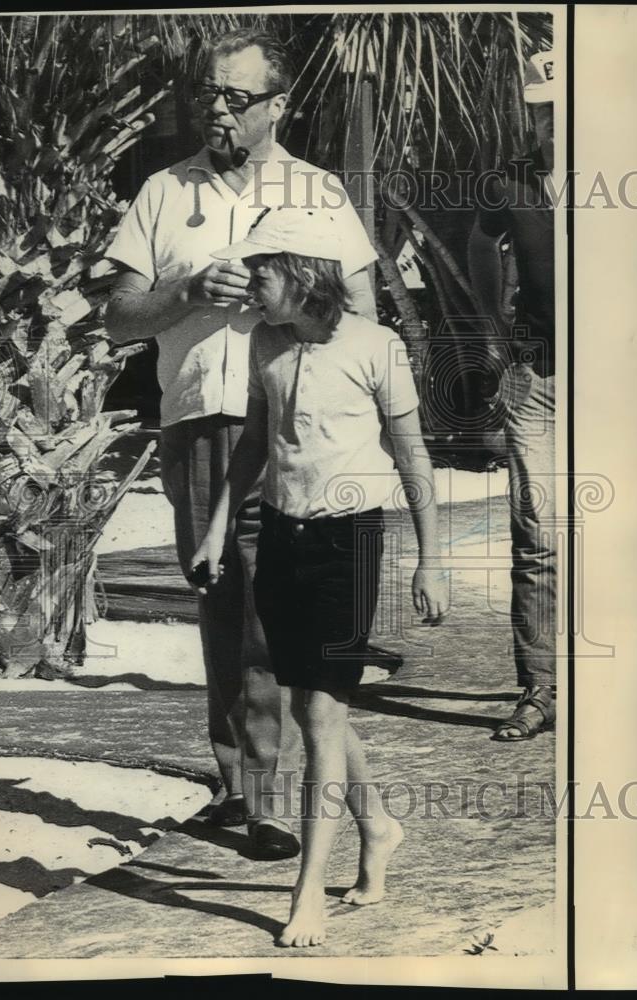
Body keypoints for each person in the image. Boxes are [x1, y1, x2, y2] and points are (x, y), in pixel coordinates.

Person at [104, 28, 378, 858]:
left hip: (296, 423)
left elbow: (363, 316)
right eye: (207, 93)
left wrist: (291, 317)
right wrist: (187, 290)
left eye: (236, 96)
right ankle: (240, 787)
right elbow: (119, 319)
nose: (216, 109)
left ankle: (269, 798)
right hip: (200, 419)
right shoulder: (162, 191)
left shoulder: (318, 192)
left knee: (279, 609)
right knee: (221, 600)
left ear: (277, 105)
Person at [192, 206, 448, 947]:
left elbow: (413, 456)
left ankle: (307, 892)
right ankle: (377, 827)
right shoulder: (263, 341)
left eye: (260, 272)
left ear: (302, 275)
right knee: (314, 707)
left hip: (348, 544)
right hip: (280, 539)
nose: (248, 285)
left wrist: (431, 560)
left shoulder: (377, 346)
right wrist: (216, 528)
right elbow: (253, 445)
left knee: (321, 715)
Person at [468, 50, 556, 741]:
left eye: (566, 107)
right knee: (536, 536)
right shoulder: (513, 180)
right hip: (538, 379)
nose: (555, 120)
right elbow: (480, 242)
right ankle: (541, 690)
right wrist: (495, 331)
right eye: (544, 108)